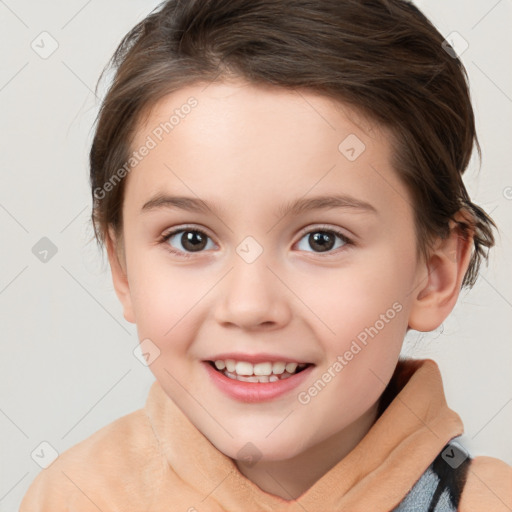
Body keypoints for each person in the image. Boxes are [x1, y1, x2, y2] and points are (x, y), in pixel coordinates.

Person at [20, 0, 512, 510]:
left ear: (435, 273)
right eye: (191, 239)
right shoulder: (73, 497)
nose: (249, 306)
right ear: (123, 268)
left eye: (322, 239)